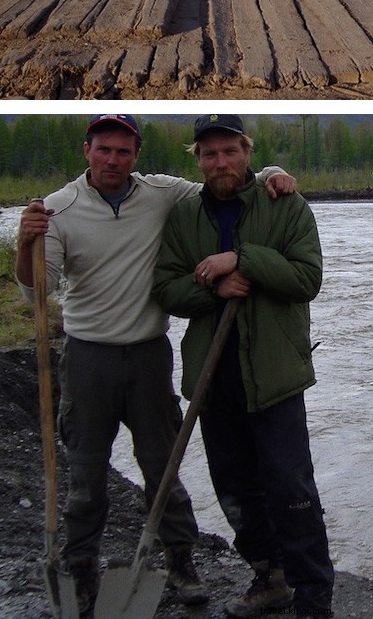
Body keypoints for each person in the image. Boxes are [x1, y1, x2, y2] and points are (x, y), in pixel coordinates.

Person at [16, 114, 296, 617]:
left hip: (149, 355)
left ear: (136, 157)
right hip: (87, 359)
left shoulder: (162, 193)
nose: (113, 161)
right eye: (104, 150)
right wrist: (24, 244)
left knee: (162, 467)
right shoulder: (57, 209)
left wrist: (274, 170)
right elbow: (38, 288)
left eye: (124, 152)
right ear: (87, 151)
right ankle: (80, 571)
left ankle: (182, 564)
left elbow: (227, 182)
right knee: (85, 477)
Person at [153, 115, 333, 619]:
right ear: (198, 159)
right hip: (214, 379)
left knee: (292, 490)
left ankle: (315, 601)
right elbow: (166, 288)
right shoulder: (186, 215)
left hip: (275, 377)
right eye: (209, 154)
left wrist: (243, 260)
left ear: (247, 152)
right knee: (234, 488)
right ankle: (268, 578)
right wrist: (212, 287)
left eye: (230, 151)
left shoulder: (286, 203)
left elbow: (306, 279)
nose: (221, 162)